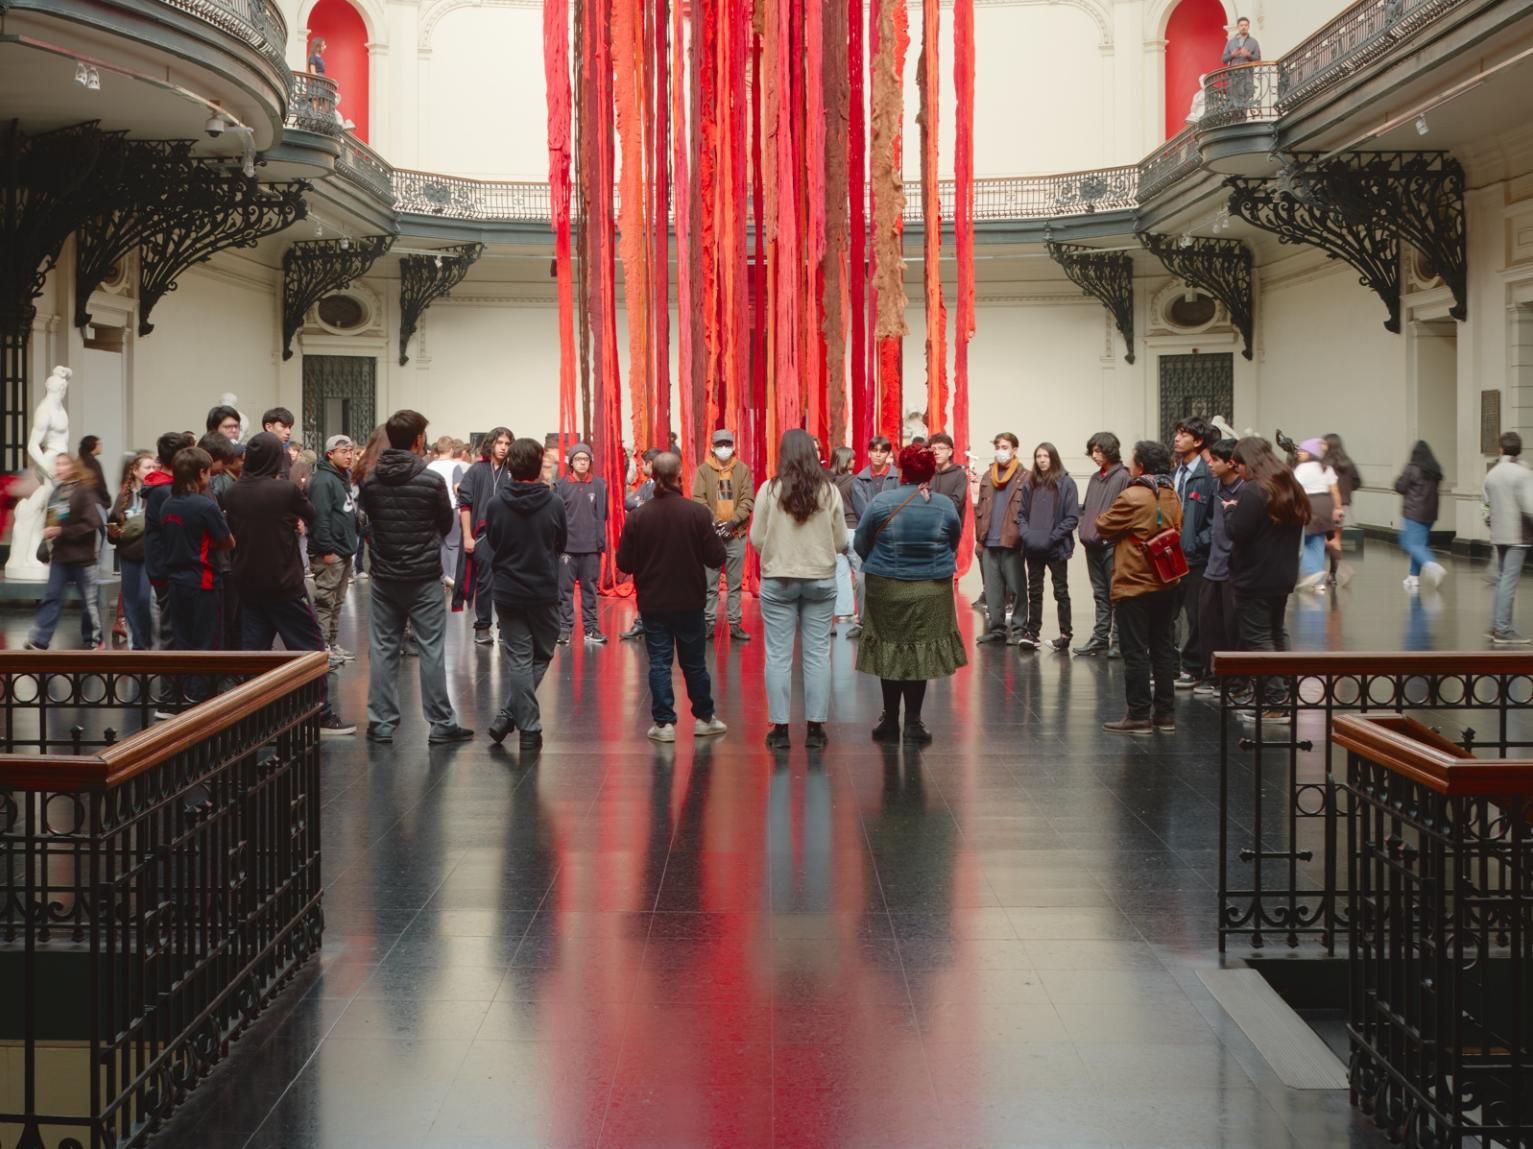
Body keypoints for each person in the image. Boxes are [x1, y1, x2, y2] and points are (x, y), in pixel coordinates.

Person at [222, 433, 355, 736]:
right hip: (282, 582)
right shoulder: (285, 490)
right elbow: (311, 514)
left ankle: (251, 716)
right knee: (310, 649)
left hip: (247, 582)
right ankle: (319, 712)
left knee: (253, 653)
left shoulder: (233, 492)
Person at [357, 410, 474, 745]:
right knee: (432, 649)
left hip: (385, 576)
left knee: (382, 648)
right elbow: (446, 524)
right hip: (423, 577)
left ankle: (381, 722)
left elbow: (367, 524)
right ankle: (441, 722)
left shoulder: (372, 480)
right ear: (419, 439)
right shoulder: (430, 480)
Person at [853, 444, 966, 744]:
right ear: (930, 471)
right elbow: (952, 541)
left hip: (886, 586)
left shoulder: (882, 502)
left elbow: (861, 543)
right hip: (931, 589)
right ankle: (914, 721)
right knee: (920, 650)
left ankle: (889, 719)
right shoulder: (944, 506)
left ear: (901, 469)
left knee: (890, 648)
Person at [616, 452, 729, 743]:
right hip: (689, 601)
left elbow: (624, 563)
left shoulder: (639, 516)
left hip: (653, 603)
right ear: (681, 475)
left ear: (651, 476)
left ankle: (664, 724)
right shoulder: (697, 513)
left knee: (659, 663)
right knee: (694, 664)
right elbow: (716, 557)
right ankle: (705, 718)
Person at [752, 428, 848, 750]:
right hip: (820, 579)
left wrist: (777, 551)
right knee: (818, 655)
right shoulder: (829, 491)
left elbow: (756, 538)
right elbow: (840, 541)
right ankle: (815, 729)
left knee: (778, 656)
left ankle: (780, 729)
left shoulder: (769, 489)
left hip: (778, 579)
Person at [1095, 440, 1184, 735]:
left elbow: (1104, 525)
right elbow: (1178, 528)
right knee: (1162, 649)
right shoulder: (1172, 493)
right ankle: (1166, 714)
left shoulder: (1132, 495)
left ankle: (1138, 714)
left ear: (1141, 465)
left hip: (1134, 584)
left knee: (1134, 652)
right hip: (1167, 583)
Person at [484, 438, 568, 748]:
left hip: (507, 590)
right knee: (542, 654)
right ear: (538, 467)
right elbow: (562, 543)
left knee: (519, 659)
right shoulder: (554, 503)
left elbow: (492, 540)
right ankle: (524, 724)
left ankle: (514, 717)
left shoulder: (496, 504)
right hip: (543, 589)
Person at [1227, 437, 1309, 723]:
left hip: (1255, 576)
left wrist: (1229, 512)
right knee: (1276, 632)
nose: (1237, 471)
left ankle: (1276, 702)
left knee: (1258, 638)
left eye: (1237, 465)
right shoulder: (1290, 486)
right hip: (1282, 575)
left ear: (1248, 462)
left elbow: (1238, 532)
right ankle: (1284, 691)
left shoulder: (1253, 491)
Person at [156, 447, 232, 660]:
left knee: (183, 642)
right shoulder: (206, 506)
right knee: (207, 644)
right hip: (203, 583)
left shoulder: (167, 505)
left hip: (176, 583)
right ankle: (202, 692)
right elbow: (228, 541)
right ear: (201, 473)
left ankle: (184, 691)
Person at [25, 454, 104, 650]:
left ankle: (93, 640)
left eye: (63, 464)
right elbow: (51, 520)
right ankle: (40, 640)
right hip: (60, 556)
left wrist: (63, 531)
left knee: (89, 602)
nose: (59, 468)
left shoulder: (85, 491)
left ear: (73, 467)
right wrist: (47, 540)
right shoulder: (57, 492)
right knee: (52, 597)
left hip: (83, 558)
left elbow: (91, 523)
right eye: (57, 464)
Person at [1193, 439, 1245, 699]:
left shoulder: (1245, 490)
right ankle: (1215, 676)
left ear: (1231, 463)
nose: (1210, 464)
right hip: (1212, 566)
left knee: (1232, 628)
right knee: (1209, 625)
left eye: (1215, 460)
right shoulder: (1215, 486)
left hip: (1233, 570)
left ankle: (1236, 682)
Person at [692, 429, 754, 641]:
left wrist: (732, 522)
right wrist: (717, 523)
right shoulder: (703, 471)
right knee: (710, 583)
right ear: (712, 447)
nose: (724, 448)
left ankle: (735, 623)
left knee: (735, 583)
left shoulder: (742, 470)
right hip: (711, 536)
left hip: (736, 534)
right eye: (720, 444)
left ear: (734, 446)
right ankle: (708, 623)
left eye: (728, 444)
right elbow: (698, 499)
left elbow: (748, 500)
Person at [1017, 441, 1079, 652]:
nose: (1042, 460)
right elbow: (1022, 514)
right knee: (1034, 591)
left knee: (1060, 591)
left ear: (1053, 458)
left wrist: (1051, 538)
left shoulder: (1066, 483)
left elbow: (1071, 518)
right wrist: (1026, 534)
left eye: (1045, 456)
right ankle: (1032, 633)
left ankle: (1065, 634)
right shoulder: (1030, 482)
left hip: (1056, 547)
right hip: (1033, 547)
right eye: (1038, 456)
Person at [1075, 431, 1130, 657]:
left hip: (1111, 545)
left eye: (1099, 451)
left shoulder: (1122, 477)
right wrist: (1083, 527)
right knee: (1100, 594)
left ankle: (1117, 641)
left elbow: (1125, 511)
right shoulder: (1096, 478)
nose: (1095, 455)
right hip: (1092, 545)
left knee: (1116, 594)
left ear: (1110, 451)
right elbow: (1086, 508)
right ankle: (1100, 638)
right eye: (1093, 451)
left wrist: (1110, 536)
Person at [457, 427, 513, 644]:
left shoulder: (512, 471)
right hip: (482, 537)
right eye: (500, 443)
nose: (503, 447)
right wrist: (467, 538)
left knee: (507, 583)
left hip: (508, 538)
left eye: (507, 444)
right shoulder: (476, 470)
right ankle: (482, 626)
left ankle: (506, 627)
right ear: (491, 444)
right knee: (485, 583)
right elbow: (465, 505)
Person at [1171, 416, 1216, 689]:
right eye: (1177, 432)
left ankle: (1194, 667)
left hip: (1196, 555)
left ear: (1198, 442)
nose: (1177, 438)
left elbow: (1215, 519)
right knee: (1171, 612)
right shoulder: (1176, 471)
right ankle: (1176, 664)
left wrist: (1198, 541)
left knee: (1195, 614)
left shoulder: (1207, 475)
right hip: (1173, 554)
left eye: (1184, 434)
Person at [143, 430, 196, 648]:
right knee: (172, 627)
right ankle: (171, 679)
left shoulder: (160, 487)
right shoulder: (166, 491)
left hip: (161, 562)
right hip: (167, 565)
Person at [309, 434, 359, 662]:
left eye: (351, 451)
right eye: (344, 451)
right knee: (325, 601)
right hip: (331, 552)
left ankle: (331, 642)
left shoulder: (342, 477)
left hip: (344, 549)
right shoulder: (323, 481)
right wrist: (327, 549)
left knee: (337, 601)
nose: (349, 455)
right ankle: (322, 648)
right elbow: (320, 518)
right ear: (331, 454)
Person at [974, 432, 1026, 645]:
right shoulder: (988, 476)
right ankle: (996, 629)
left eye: (1005, 447)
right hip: (989, 541)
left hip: (1012, 541)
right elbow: (981, 508)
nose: (1000, 451)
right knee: (993, 591)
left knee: (1017, 588)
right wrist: (980, 537)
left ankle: (1020, 629)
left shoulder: (1025, 477)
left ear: (1014, 450)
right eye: (998, 447)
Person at [554, 441, 608, 645]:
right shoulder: (560, 486)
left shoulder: (599, 484)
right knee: (564, 590)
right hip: (567, 547)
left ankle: (591, 628)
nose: (582, 463)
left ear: (590, 461)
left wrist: (599, 542)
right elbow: (556, 517)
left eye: (585, 459)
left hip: (591, 547)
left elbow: (602, 514)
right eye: (578, 459)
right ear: (571, 462)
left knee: (590, 590)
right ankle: (564, 628)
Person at [1483, 431, 1533, 645]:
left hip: (1499, 534)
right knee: (1509, 582)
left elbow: (1485, 505)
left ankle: (1496, 626)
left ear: (1501, 449)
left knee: (1501, 580)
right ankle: (1503, 629)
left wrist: (1490, 522)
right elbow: (1530, 506)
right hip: (1518, 535)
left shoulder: (1492, 473)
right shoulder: (1523, 473)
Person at [108, 452, 156, 650]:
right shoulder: (124, 497)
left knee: (145, 598)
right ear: (135, 471)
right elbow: (113, 527)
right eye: (147, 467)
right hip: (127, 555)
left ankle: (146, 638)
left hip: (148, 554)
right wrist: (114, 533)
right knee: (130, 600)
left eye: (154, 467)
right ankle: (137, 643)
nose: (152, 471)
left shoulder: (156, 494)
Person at [620, 448, 662, 641]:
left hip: (657, 543)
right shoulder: (647, 484)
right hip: (644, 543)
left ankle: (651, 623)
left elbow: (653, 508)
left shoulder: (660, 486)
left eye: (643, 463)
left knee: (654, 585)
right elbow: (628, 502)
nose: (641, 467)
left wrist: (642, 505)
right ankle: (642, 622)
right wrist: (642, 504)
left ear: (651, 464)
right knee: (643, 584)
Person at [1395, 441, 1447, 591]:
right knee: (1419, 544)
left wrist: (1398, 480)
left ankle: (1433, 565)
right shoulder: (1434, 470)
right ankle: (1413, 576)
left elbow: (1401, 486)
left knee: (1409, 542)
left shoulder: (1412, 468)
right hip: (1430, 513)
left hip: (1414, 511)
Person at [1293, 438, 1342, 592]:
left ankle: (1313, 572)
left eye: (1302, 450)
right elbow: (1334, 491)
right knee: (1317, 545)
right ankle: (1319, 582)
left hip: (1309, 506)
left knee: (1297, 544)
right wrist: (1338, 508)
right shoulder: (1326, 468)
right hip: (1326, 507)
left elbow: (1294, 490)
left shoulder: (1302, 468)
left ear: (1311, 453)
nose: (1299, 453)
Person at [1322, 433, 1361, 587]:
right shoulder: (1348, 462)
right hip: (1344, 506)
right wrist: (1347, 491)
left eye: (1323, 444)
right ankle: (1333, 574)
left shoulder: (1325, 463)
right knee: (1335, 540)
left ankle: (1342, 569)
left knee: (1328, 541)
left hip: (1328, 506)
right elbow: (1358, 482)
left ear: (1329, 445)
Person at [828, 446, 860, 632]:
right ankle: (864, 612)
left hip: (835, 532)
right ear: (847, 461)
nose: (854, 462)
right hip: (853, 529)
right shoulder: (855, 482)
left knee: (841, 573)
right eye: (852, 459)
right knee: (861, 572)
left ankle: (844, 612)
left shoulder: (828, 482)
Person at [428, 435, 465, 588]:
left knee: (441, 544)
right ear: (451, 449)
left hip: (433, 510)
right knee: (454, 544)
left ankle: (443, 577)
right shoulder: (454, 466)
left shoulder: (429, 467)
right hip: (451, 508)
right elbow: (458, 488)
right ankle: (454, 576)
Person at [928, 433, 968, 519]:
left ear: (950, 452)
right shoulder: (928, 473)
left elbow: (956, 504)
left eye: (941, 448)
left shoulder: (959, 474)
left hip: (949, 526)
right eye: (933, 449)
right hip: (928, 524)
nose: (936, 452)